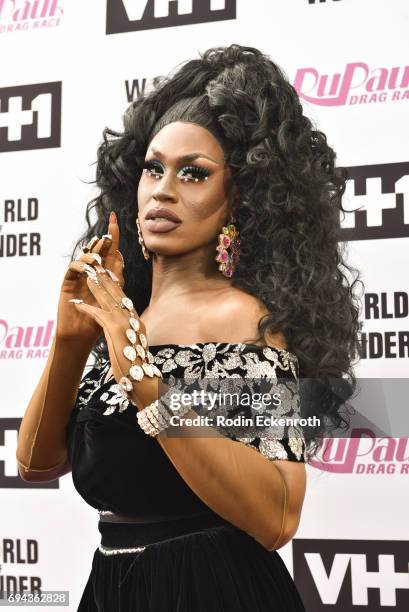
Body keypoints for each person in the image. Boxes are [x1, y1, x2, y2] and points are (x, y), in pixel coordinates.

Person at [16, 44, 361, 611]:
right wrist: (73, 340)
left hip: (214, 588)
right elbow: (36, 465)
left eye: (193, 173)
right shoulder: (121, 319)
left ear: (240, 199)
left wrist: (149, 385)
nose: (163, 189)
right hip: (112, 589)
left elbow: (276, 516)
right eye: (153, 168)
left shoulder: (248, 321)